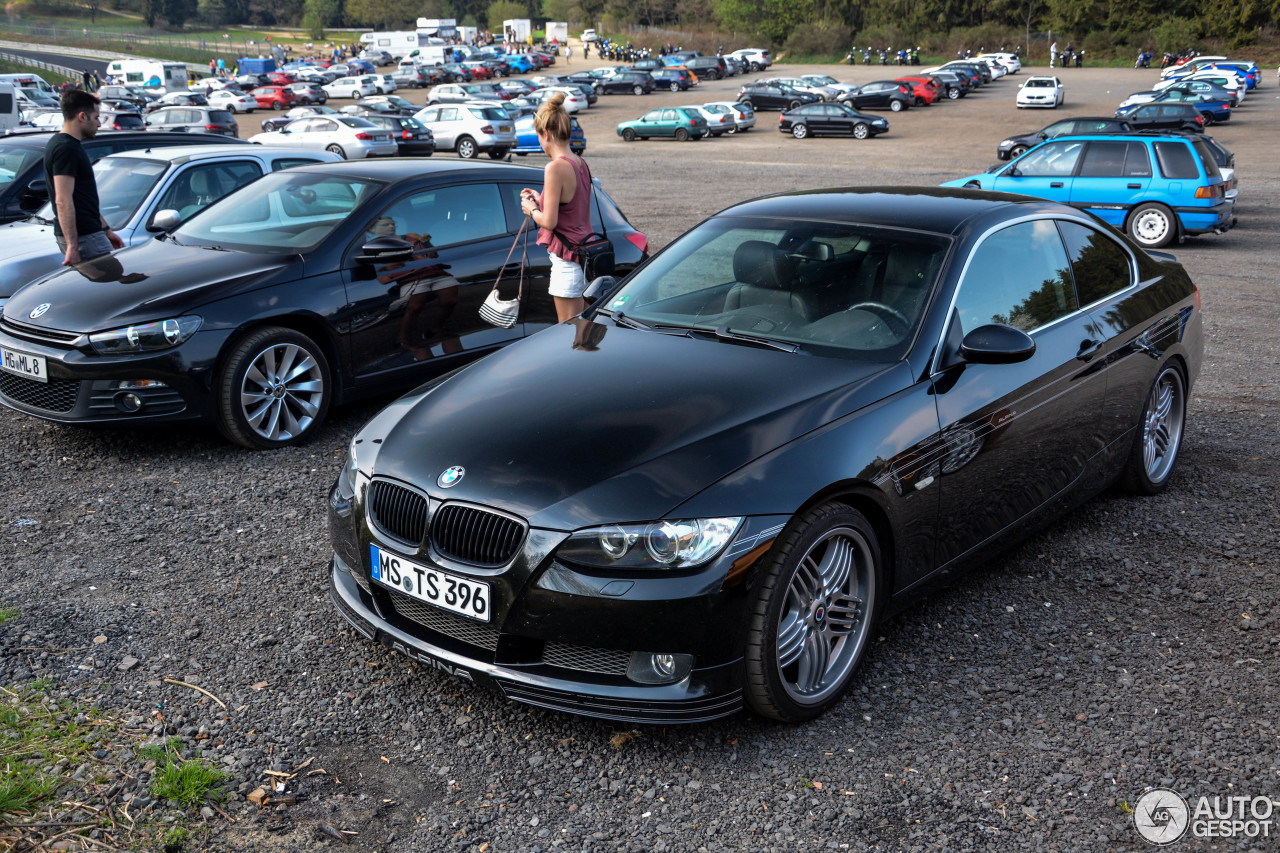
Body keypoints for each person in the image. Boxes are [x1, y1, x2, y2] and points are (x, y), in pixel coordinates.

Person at [520, 92, 593, 323]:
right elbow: (571, 205)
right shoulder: (580, 163)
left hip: (568, 260)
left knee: (570, 336)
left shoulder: (554, 168)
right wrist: (541, 198)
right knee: (582, 332)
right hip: (584, 257)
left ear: (547, 134)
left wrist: (531, 209)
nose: (540, 143)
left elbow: (549, 221)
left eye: (539, 136)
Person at [45, 90, 125, 267]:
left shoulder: (65, 145)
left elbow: (83, 197)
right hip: (84, 236)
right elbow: (63, 200)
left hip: (90, 232)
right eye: (96, 117)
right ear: (82, 116)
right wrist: (73, 246)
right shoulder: (66, 148)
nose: (98, 123)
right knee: (112, 286)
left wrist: (106, 230)